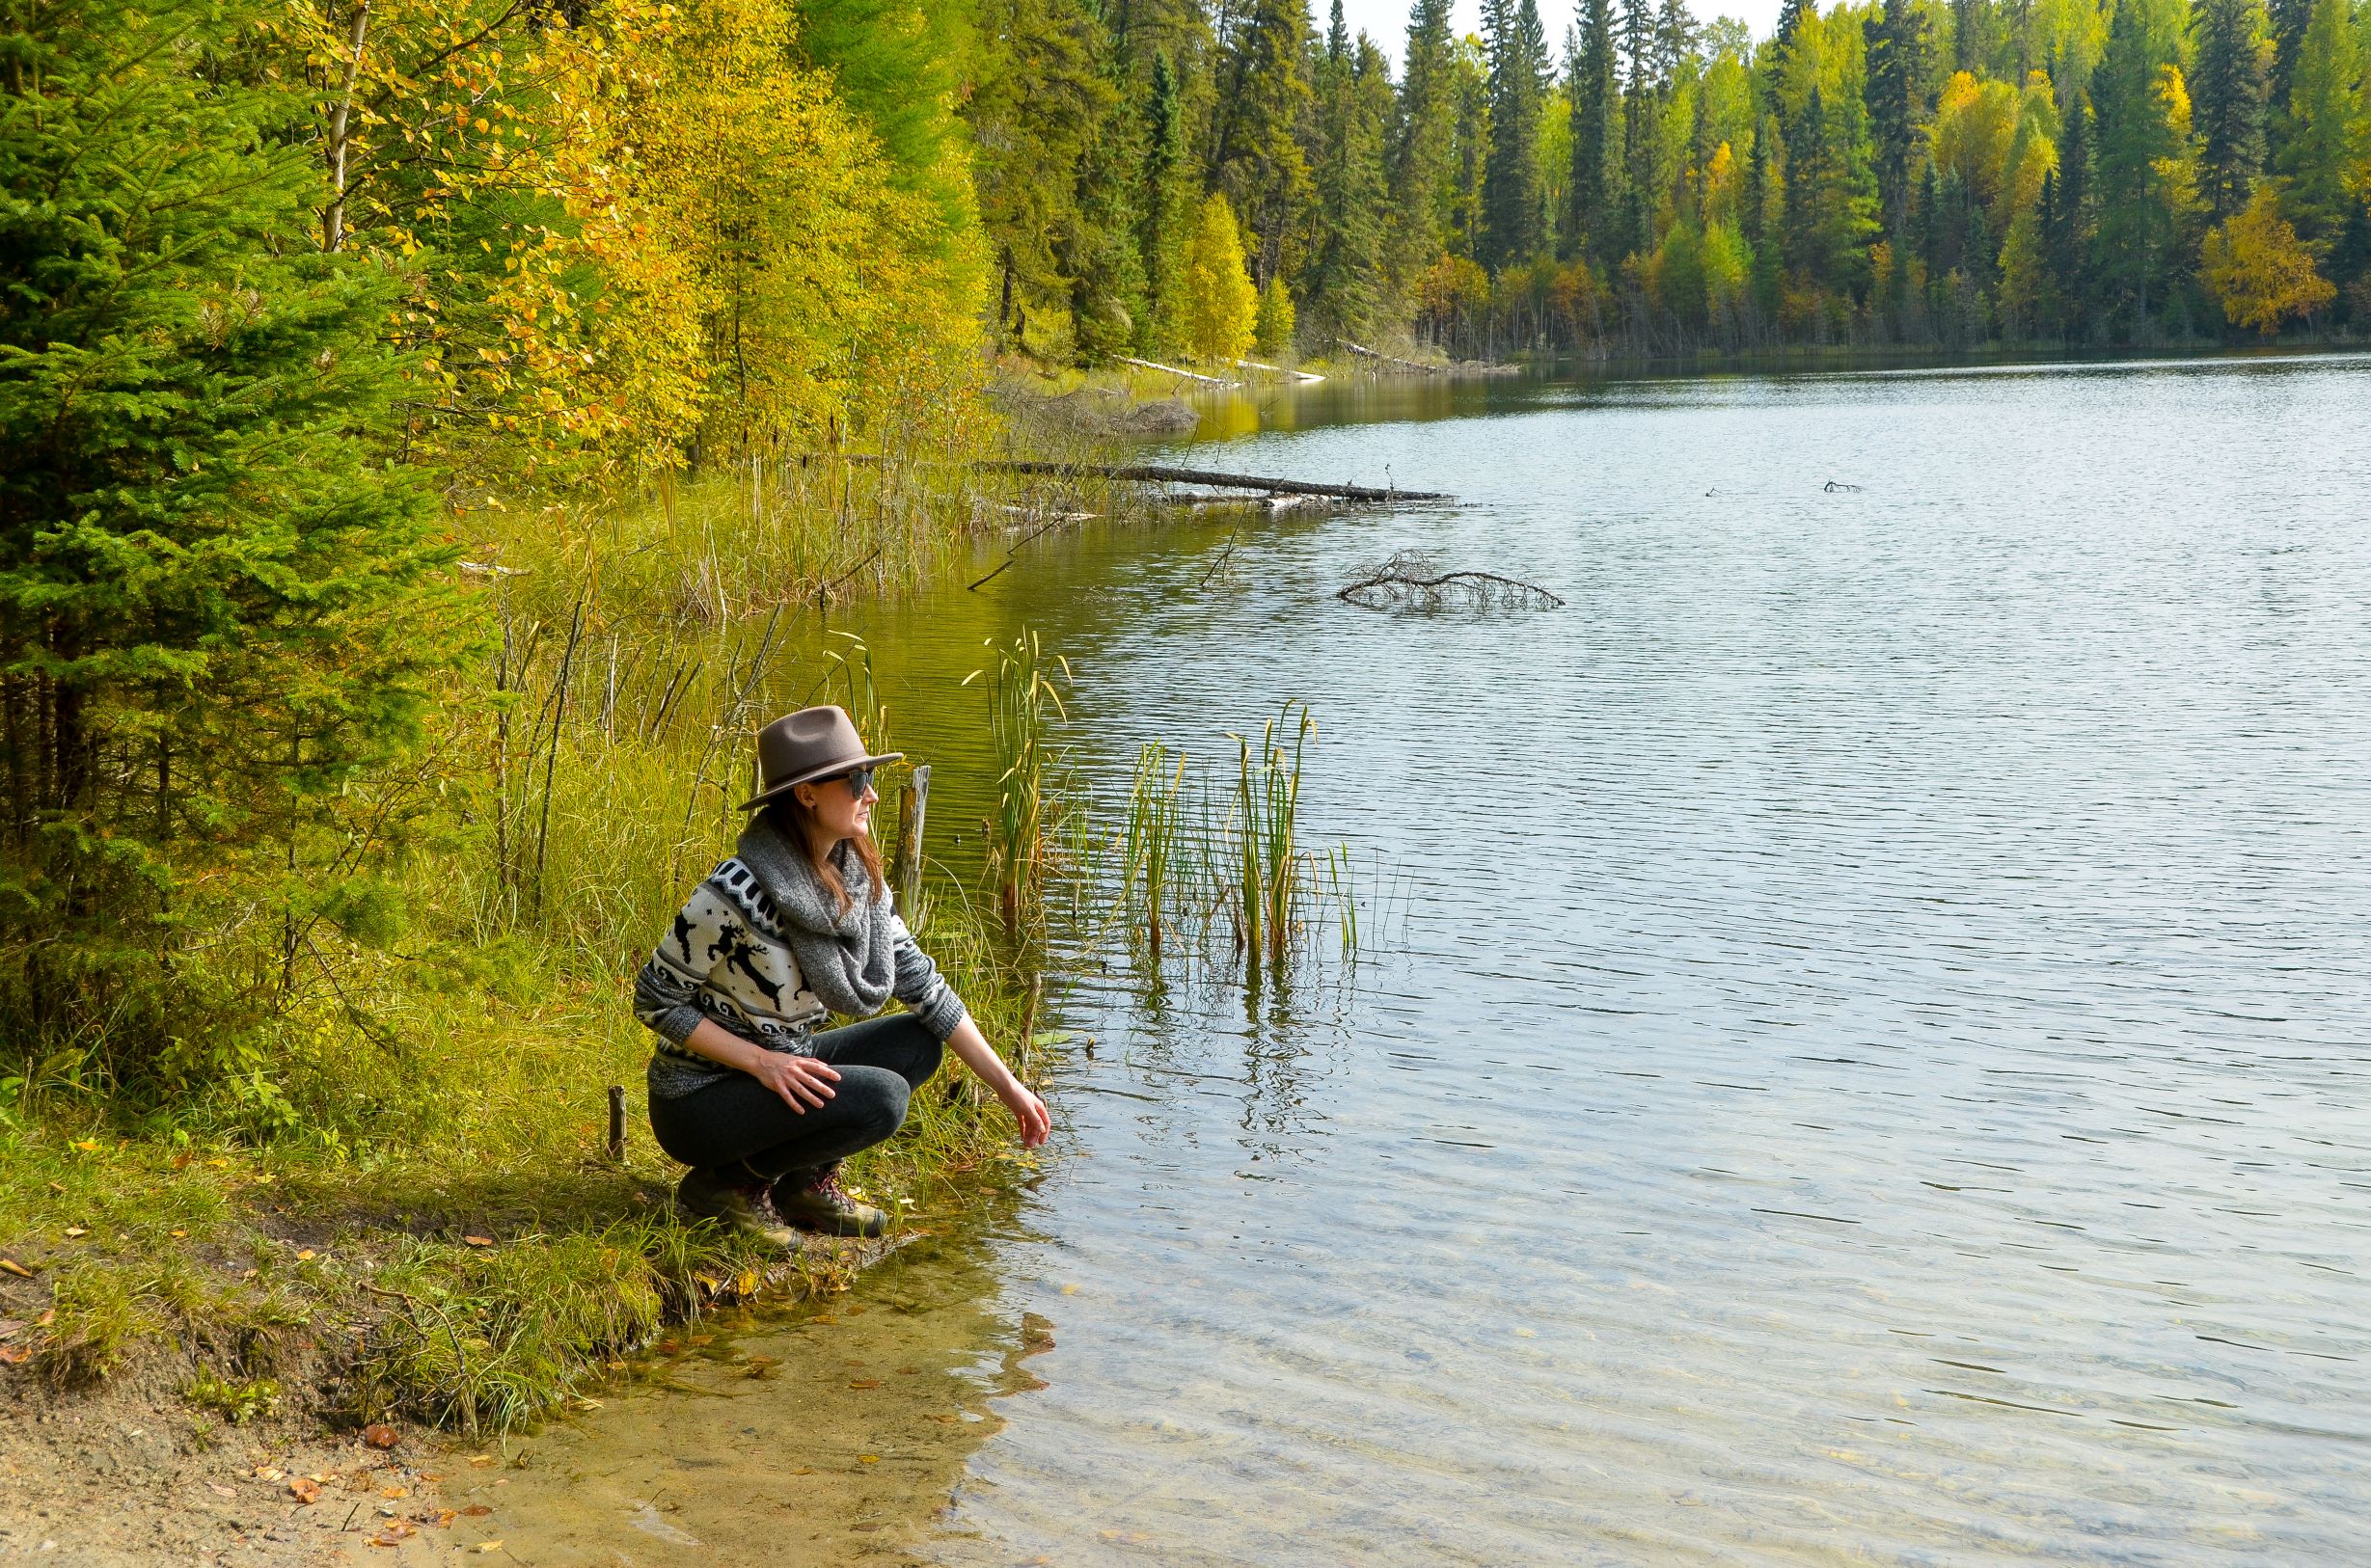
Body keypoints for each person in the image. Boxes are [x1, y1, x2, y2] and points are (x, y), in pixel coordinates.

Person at [633, 705, 1050, 1241]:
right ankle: (728, 1185)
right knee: (883, 1098)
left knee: (918, 1043)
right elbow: (655, 999)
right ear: (807, 794)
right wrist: (763, 1063)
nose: (871, 794)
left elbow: (928, 990)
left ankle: (803, 1185)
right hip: (700, 1100)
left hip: (784, 1067)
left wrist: (1011, 1089)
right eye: (857, 781)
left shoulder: (858, 884)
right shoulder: (738, 892)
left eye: (869, 777)